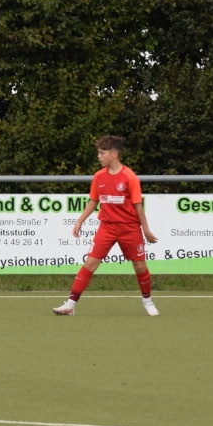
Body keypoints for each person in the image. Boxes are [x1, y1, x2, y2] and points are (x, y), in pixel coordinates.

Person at [53, 135, 159, 317]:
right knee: (90, 263)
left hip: (129, 228)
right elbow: (93, 201)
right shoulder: (99, 176)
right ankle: (70, 304)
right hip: (107, 228)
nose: (99, 156)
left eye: (102, 153)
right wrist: (80, 220)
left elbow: (138, 206)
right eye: (99, 153)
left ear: (114, 154)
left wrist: (146, 230)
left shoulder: (130, 177)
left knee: (140, 266)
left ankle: (147, 301)